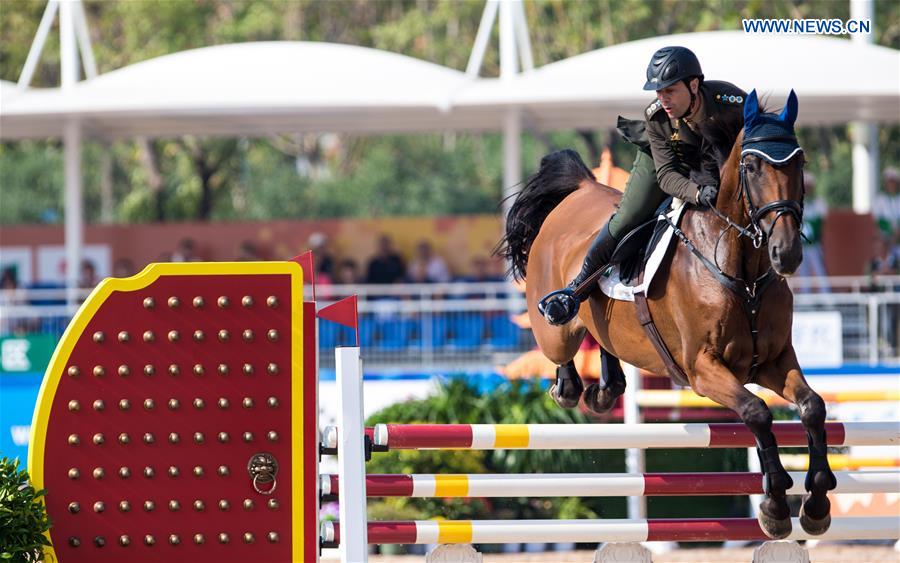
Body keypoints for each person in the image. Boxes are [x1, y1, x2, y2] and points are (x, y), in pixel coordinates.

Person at [541, 46, 746, 325]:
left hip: (714, 163)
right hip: (667, 164)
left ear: (694, 85)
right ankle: (576, 289)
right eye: (658, 92)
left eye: (670, 90)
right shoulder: (657, 116)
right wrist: (697, 194)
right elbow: (667, 176)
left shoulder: (732, 102)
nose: (663, 99)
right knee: (628, 216)